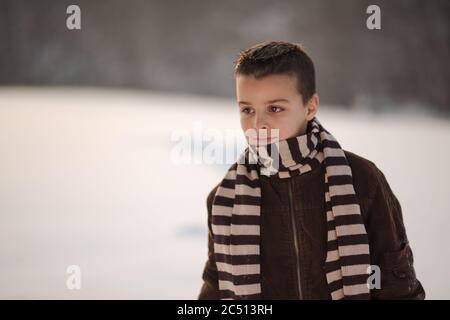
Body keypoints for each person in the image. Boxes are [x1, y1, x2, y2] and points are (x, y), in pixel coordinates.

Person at [198, 41, 425, 300]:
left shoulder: (362, 179)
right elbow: (217, 289)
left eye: (275, 108)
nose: (258, 124)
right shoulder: (226, 199)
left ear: (310, 106)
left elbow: (397, 287)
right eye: (247, 109)